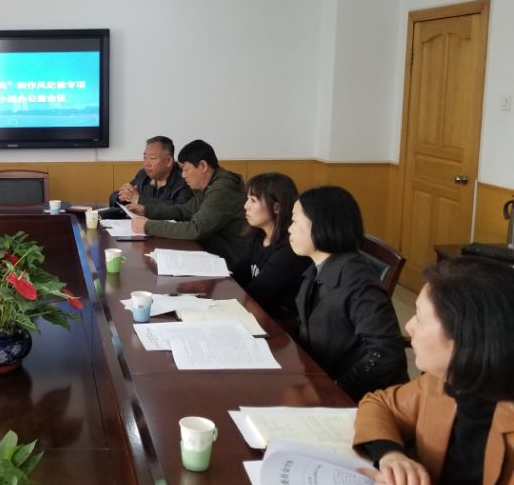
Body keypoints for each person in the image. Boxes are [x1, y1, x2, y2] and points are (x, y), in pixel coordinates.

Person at [353, 257, 514, 485]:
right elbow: (379, 403)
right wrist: (392, 456)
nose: (408, 326)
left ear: (466, 338)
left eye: (420, 317)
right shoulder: (444, 382)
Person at [288, 185, 408, 400]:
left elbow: (386, 353)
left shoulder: (358, 280)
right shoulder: (318, 267)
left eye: (295, 221)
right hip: (319, 378)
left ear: (321, 225)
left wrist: (336, 389)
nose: (289, 229)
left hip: (363, 399)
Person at [128, 139, 249, 266]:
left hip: (231, 262)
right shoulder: (209, 185)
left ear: (203, 166)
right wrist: (146, 210)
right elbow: (184, 210)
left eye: (186, 169)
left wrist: (148, 226)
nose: (183, 175)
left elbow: (195, 229)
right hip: (211, 253)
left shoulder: (222, 189)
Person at [231, 172, 311, 326]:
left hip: (280, 323)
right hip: (257, 312)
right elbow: (238, 275)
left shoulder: (289, 249)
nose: (246, 206)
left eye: (253, 200)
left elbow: (258, 293)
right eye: (247, 199)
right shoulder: (259, 236)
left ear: (276, 207)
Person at [108, 135, 193, 209]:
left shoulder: (185, 179)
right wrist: (123, 196)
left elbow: (180, 209)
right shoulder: (143, 175)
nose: (146, 164)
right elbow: (117, 196)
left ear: (168, 161)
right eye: (145, 158)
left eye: (152, 158)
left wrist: (139, 199)